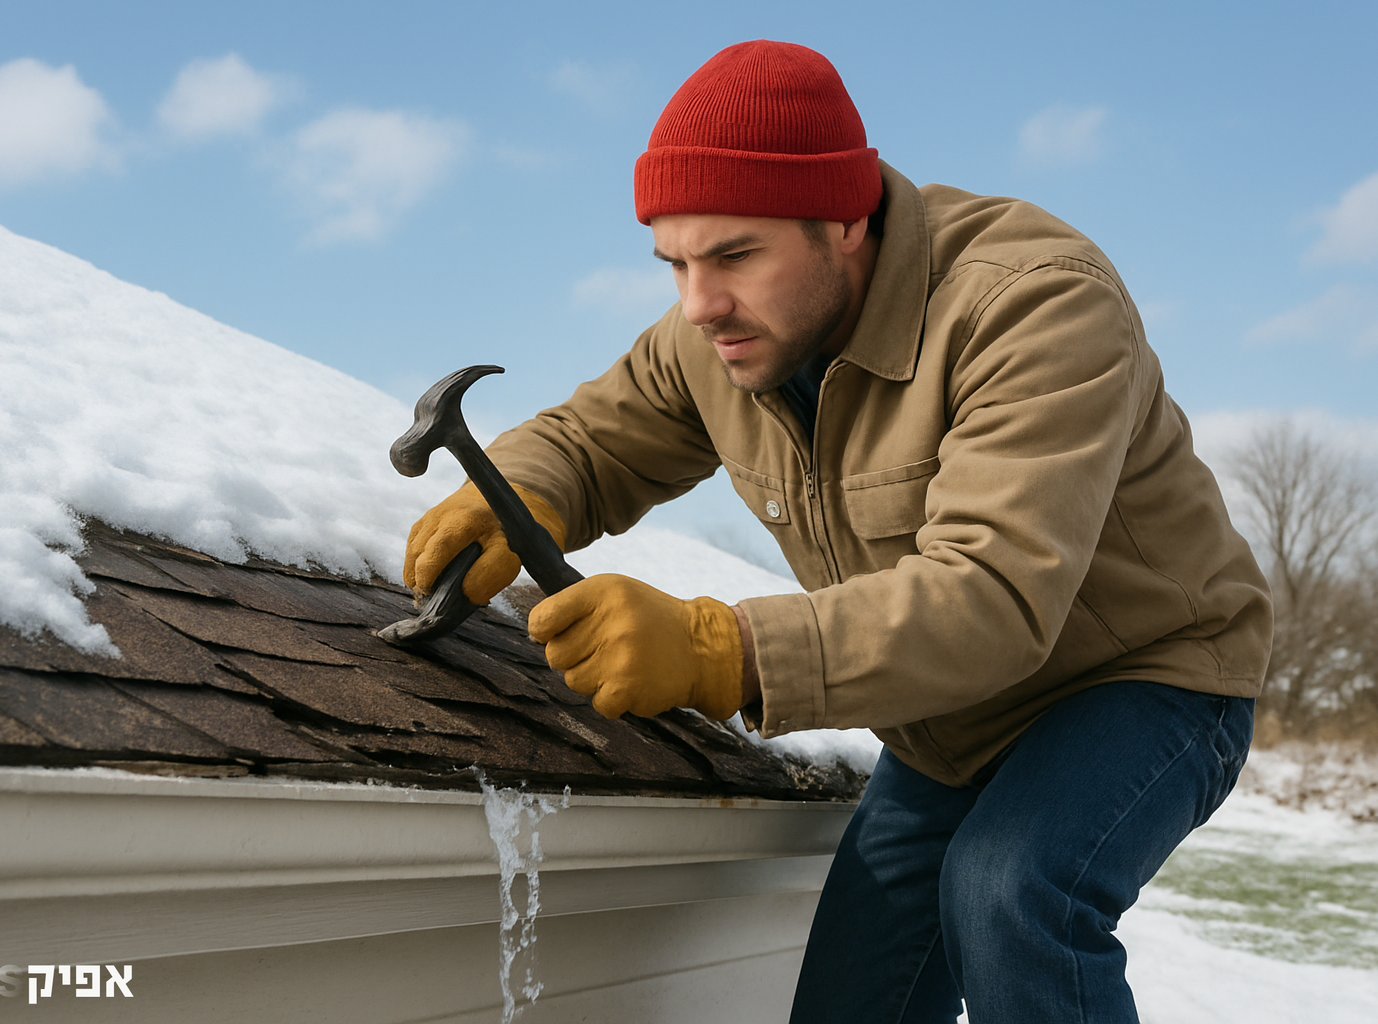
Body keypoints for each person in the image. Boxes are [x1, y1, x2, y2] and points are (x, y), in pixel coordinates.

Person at [403, 39, 1272, 1023]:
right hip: (947, 712)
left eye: (734, 254)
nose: (700, 302)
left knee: (1009, 890)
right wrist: (519, 490)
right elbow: (599, 436)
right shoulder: (716, 336)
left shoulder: (1033, 301)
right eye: (676, 261)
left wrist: (716, 648)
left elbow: (995, 594)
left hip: (1145, 675)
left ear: (847, 218)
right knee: (852, 998)